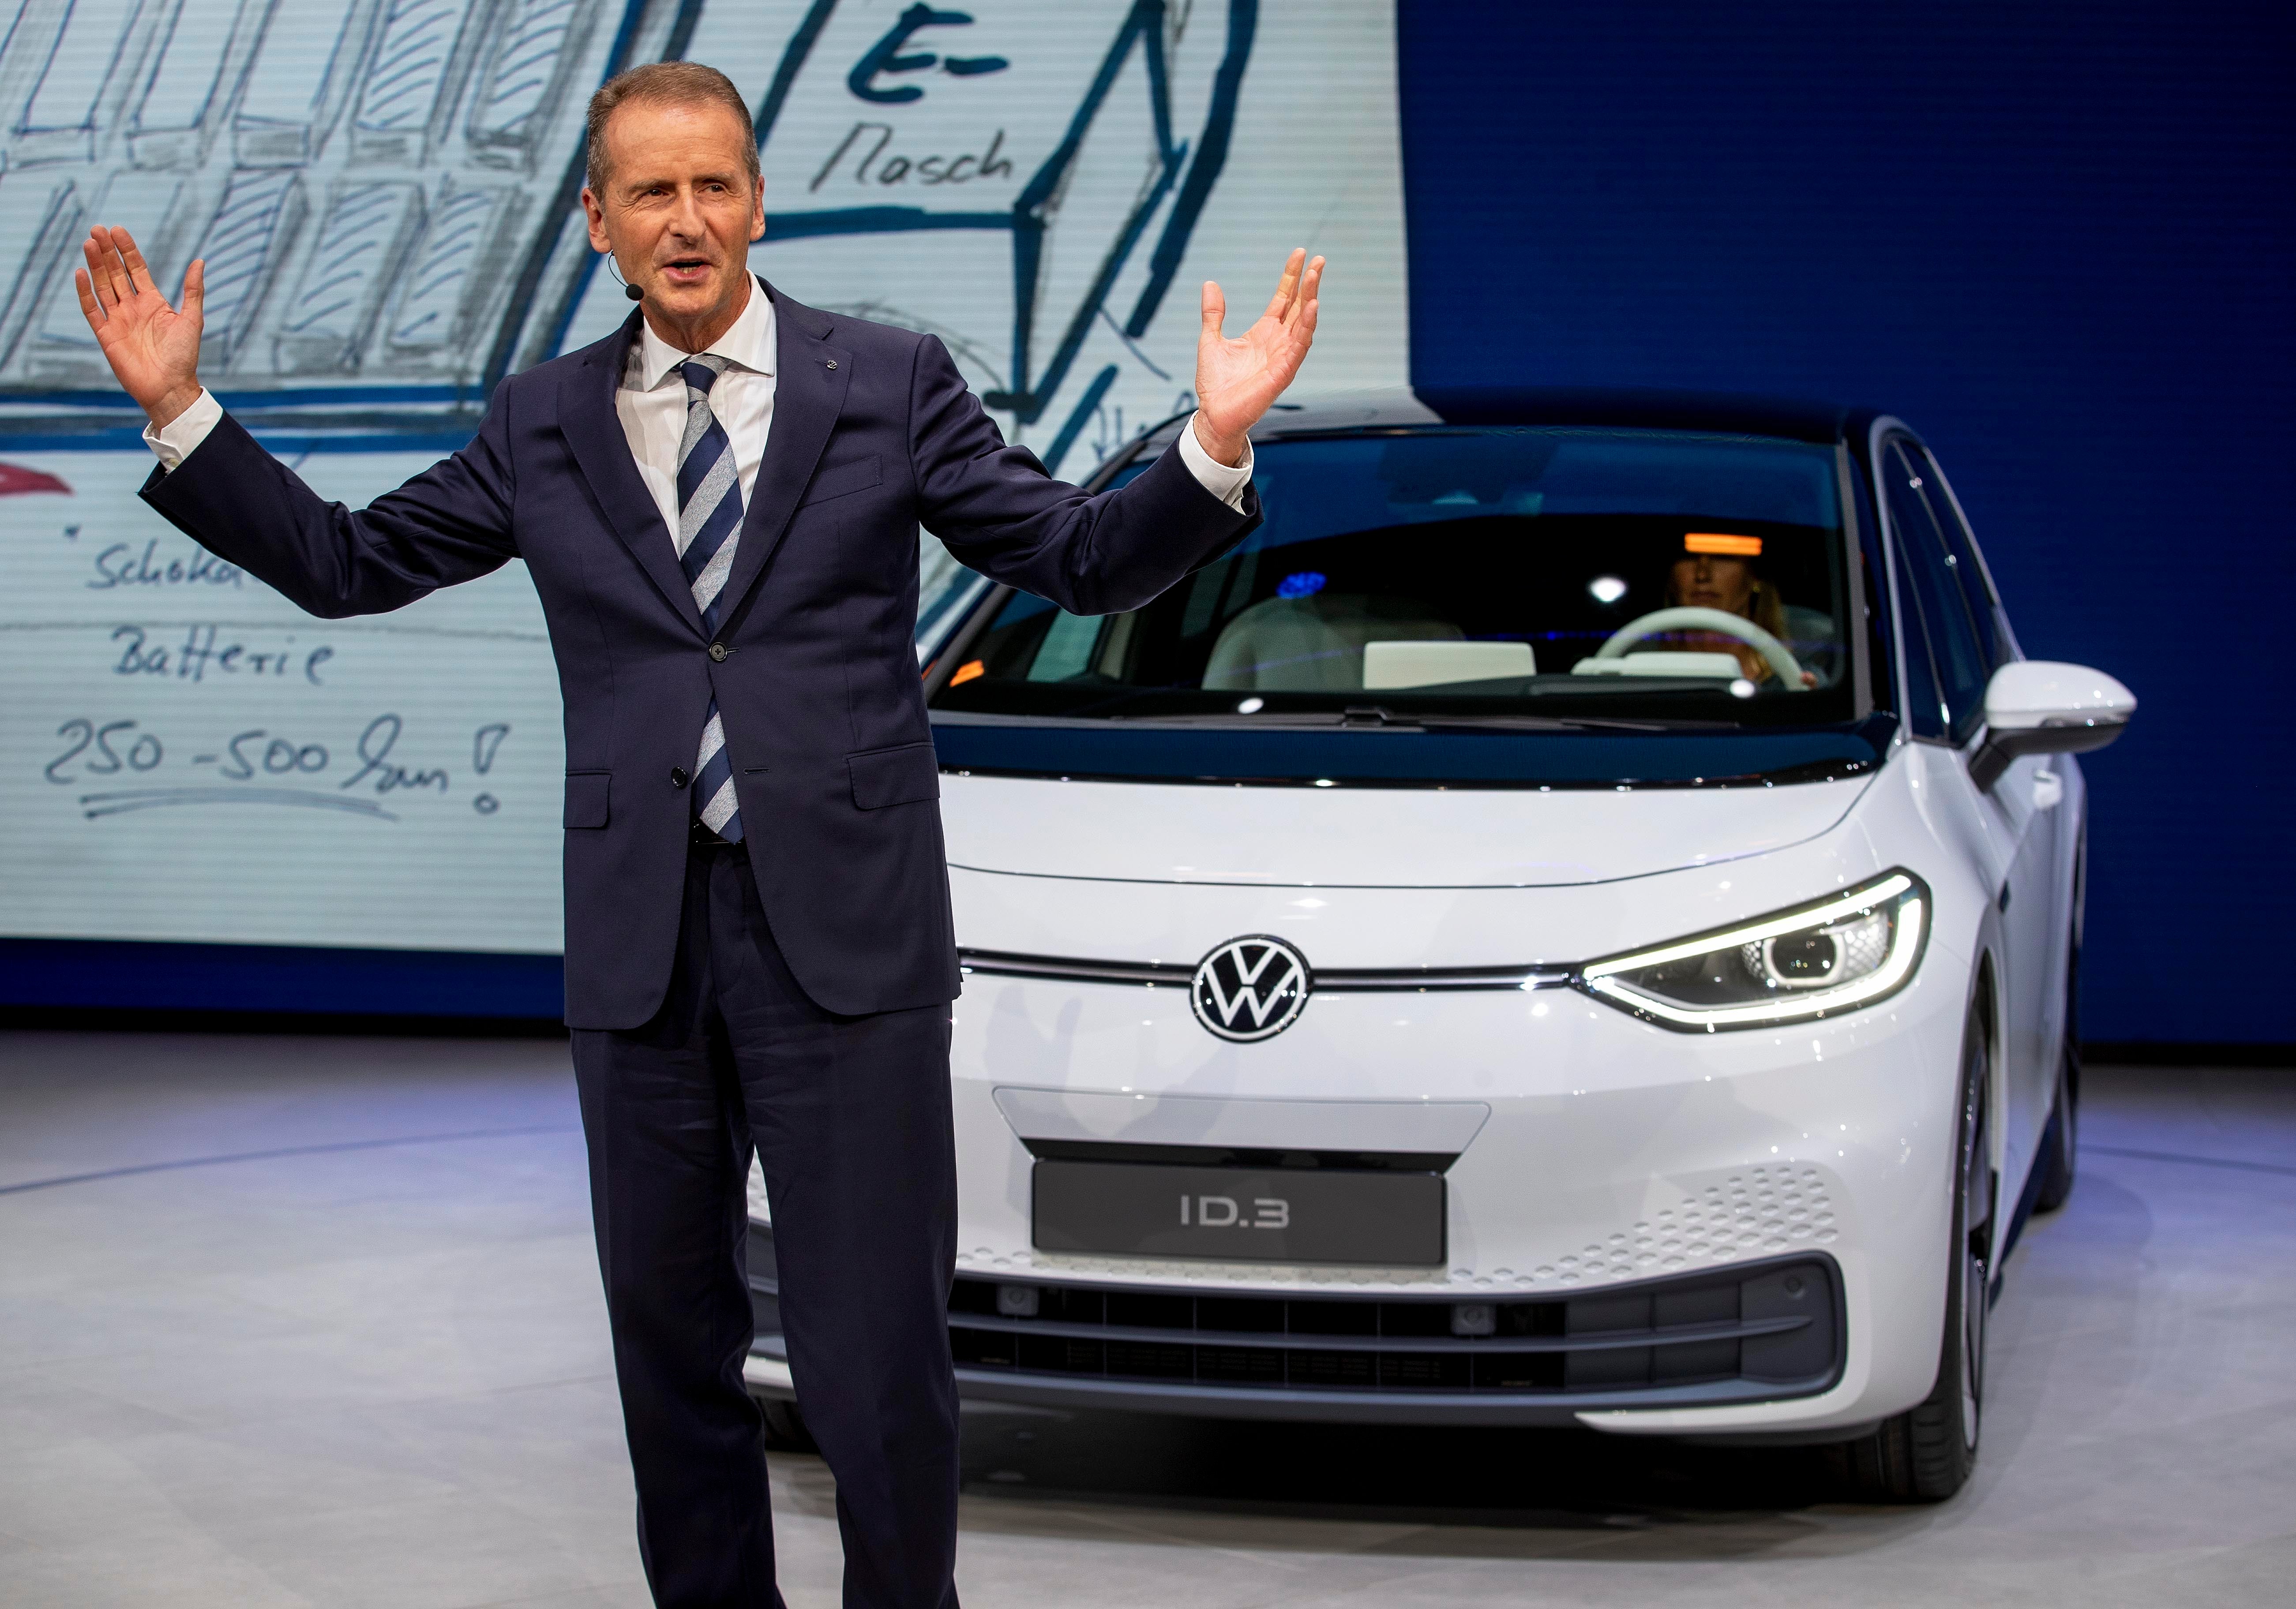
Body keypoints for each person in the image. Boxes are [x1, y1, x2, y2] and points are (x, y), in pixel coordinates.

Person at [75, 61, 1321, 1609]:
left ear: (755, 199)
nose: (687, 220)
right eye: (651, 192)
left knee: (875, 1363)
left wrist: (1207, 449)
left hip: (844, 945)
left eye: (714, 184)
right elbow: (348, 564)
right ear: (596, 219)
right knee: (673, 1362)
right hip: (642, 950)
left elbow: (1071, 558)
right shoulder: (538, 420)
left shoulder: (888, 376)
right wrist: (179, 414)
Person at [1665, 540, 1816, 686]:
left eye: (1723, 557)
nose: (1702, 575)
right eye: (1689, 557)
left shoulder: (1795, 675)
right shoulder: (1643, 664)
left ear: (1755, 575)